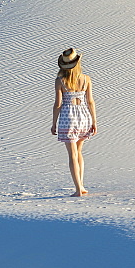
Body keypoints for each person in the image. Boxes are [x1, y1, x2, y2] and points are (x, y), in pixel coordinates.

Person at [51, 48, 97, 196]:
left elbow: (58, 104)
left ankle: (78, 189)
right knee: (79, 152)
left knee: (72, 155)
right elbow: (90, 101)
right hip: (83, 116)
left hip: (68, 117)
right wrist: (94, 121)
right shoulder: (86, 79)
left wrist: (53, 123)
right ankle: (81, 186)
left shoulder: (60, 81)